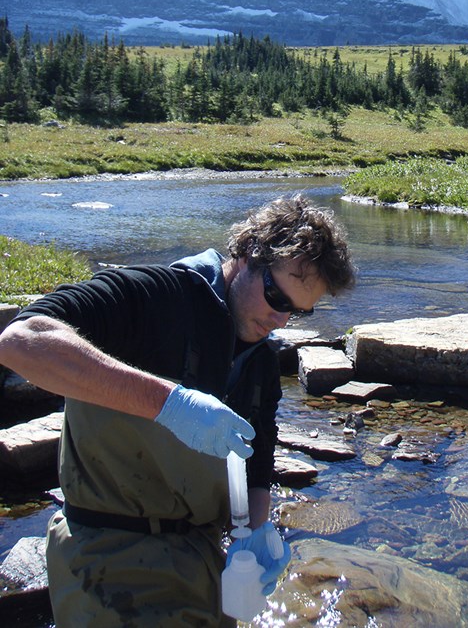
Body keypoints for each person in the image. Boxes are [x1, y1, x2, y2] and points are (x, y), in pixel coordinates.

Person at [0, 194, 355, 626]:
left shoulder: (261, 360)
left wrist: (255, 533)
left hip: (206, 562)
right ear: (246, 257)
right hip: (109, 563)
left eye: (299, 312)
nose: (282, 321)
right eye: (278, 300)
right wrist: (169, 403)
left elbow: (257, 456)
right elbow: (21, 341)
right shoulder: (151, 296)